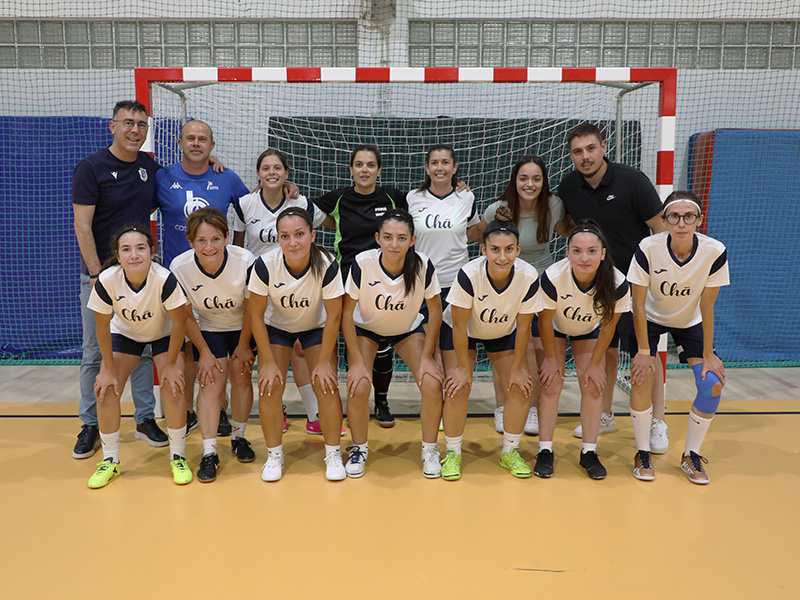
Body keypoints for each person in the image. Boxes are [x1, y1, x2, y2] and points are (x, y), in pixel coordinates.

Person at [557, 122, 668, 451]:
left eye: (591, 148)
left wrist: (659, 277)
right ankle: (603, 415)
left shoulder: (632, 181)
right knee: (603, 352)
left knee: (644, 355)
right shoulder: (568, 186)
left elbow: (660, 229)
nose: (585, 156)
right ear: (572, 156)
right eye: (578, 151)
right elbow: (566, 226)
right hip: (598, 288)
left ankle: (657, 421)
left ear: (603, 146)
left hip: (637, 285)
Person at [72, 100, 167, 460]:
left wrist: (213, 166)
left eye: (141, 125)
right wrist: (97, 275)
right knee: (95, 352)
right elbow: (82, 225)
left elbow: (179, 183)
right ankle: (90, 424)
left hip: (139, 275)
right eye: (128, 123)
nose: (135, 130)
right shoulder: (92, 167)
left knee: (141, 345)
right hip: (101, 276)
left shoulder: (148, 167)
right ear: (113, 127)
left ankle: (144, 419)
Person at [153, 119, 250, 437]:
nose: (196, 143)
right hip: (177, 281)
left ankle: (219, 410)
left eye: (203, 139)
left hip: (219, 280)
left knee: (217, 349)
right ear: (179, 143)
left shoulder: (227, 177)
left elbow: (256, 210)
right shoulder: (162, 178)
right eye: (190, 138)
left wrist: (237, 247)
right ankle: (189, 411)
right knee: (186, 348)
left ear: (212, 146)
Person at [627, 191, 729, 484]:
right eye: (674, 216)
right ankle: (642, 452)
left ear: (699, 219)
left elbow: (708, 304)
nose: (681, 223)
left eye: (688, 217)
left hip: (689, 320)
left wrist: (709, 353)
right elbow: (637, 301)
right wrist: (644, 350)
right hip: (650, 317)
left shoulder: (715, 250)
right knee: (642, 376)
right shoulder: (648, 247)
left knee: (712, 385)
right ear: (664, 220)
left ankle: (691, 455)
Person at [342, 209, 444, 478]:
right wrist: (354, 361)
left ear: (412, 239)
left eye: (401, 238)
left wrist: (427, 356)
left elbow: (435, 310)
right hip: (366, 329)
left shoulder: (422, 264)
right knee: (359, 385)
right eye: (387, 237)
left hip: (407, 331)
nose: (394, 244)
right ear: (377, 238)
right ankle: (358, 448)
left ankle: (429, 449)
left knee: (432, 382)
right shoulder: (363, 263)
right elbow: (344, 312)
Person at [85, 224, 189, 488]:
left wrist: (172, 364)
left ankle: (178, 456)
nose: (134, 255)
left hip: (164, 333)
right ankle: (111, 461)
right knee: (106, 389)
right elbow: (101, 326)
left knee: (173, 386)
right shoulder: (108, 280)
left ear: (152, 252)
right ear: (118, 256)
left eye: (141, 248)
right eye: (127, 249)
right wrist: (107, 369)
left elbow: (180, 323)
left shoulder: (164, 278)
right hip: (126, 334)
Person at [232, 148, 328, 434]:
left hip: (300, 283)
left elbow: (328, 222)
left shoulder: (300, 201)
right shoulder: (245, 203)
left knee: (299, 348)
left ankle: (315, 416)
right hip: (262, 285)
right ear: (258, 174)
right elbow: (238, 247)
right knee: (270, 351)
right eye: (266, 168)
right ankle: (279, 410)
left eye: (277, 168)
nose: (272, 173)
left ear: (287, 173)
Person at [313, 144, 409, 429]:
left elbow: (423, 205)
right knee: (351, 342)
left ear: (379, 170)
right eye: (359, 165)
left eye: (370, 165)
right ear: (351, 169)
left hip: (385, 280)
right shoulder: (340, 198)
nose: (364, 170)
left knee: (382, 344)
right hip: (347, 280)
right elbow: (307, 211)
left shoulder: (393, 197)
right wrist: (288, 189)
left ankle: (381, 401)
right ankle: (353, 400)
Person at [440, 213, 542, 480]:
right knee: (457, 387)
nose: (502, 257)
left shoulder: (529, 277)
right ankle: (452, 453)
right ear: (483, 249)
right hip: (464, 331)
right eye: (494, 250)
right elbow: (460, 326)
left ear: (518, 250)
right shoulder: (469, 274)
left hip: (504, 331)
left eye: (509, 250)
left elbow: (524, 327)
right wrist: (463, 368)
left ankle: (510, 451)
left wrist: (518, 368)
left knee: (520, 388)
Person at [248, 207, 346, 481]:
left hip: (316, 327)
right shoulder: (265, 265)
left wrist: (325, 361)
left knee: (326, 385)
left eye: (300, 234)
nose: (293, 242)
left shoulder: (327, 263)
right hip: (277, 328)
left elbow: (335, 315)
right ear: (278, 239)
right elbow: (255, 315)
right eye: (285, 236)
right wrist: (266, 362)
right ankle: (274, 455)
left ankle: (333, 453)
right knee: (269, 387)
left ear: (313, 236)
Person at [478, 155, 572, 437]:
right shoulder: (498, 208)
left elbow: (567, 231)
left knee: (538, 346)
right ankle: (501, 406)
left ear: (544, 182)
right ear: (514, 180)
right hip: (507, 281)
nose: (529, 184)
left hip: (542, 282)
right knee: (503, 345)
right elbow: (481, 238)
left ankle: (530, 407)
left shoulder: (553, 206)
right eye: (523, 178)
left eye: (536, 179)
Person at [533, 220, 630, 480]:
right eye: (576, 251)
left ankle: (589, 451)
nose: (584, 257)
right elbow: (543, 320)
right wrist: (552, 359)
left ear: (603, 253)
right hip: (553, 328)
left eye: (591, 251)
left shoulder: (617, 283)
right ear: (567, 252)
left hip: (588, 330)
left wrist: (597, 363)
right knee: (551, 383)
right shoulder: (553, 277)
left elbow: (609, 327)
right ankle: (545, 450)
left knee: (593, 384)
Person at [170, 208, 256, 483]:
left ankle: (239, 438)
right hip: (206, 327)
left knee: (241, 376)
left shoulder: (245, 260)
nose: (209, 247)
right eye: (202, 241)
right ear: (190, 241)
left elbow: (254, 309)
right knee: (210, 382)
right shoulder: (180, 267)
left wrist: (243, 347)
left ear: (227, 237)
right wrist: (204, 353)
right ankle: (209, 453)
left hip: (244, 324)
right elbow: (184, 315)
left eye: (216, 239)